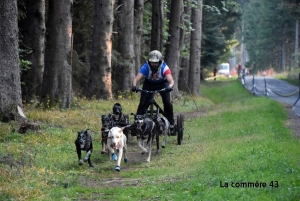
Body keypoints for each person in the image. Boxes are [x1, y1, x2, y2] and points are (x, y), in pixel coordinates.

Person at [131, 50, 175, 133]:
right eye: (152, 62)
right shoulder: (146, 67)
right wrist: (134, 86)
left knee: (167, 103)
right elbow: (137, 78)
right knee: (143, 103)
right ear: (149, 61)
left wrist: (169, 87)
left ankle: (171, 124)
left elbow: (171, 81)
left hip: (163, 84)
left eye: (156, 62)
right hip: (149, 84)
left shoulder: (164, 67)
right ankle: (137, 124)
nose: (154, 64)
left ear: (160, 62)